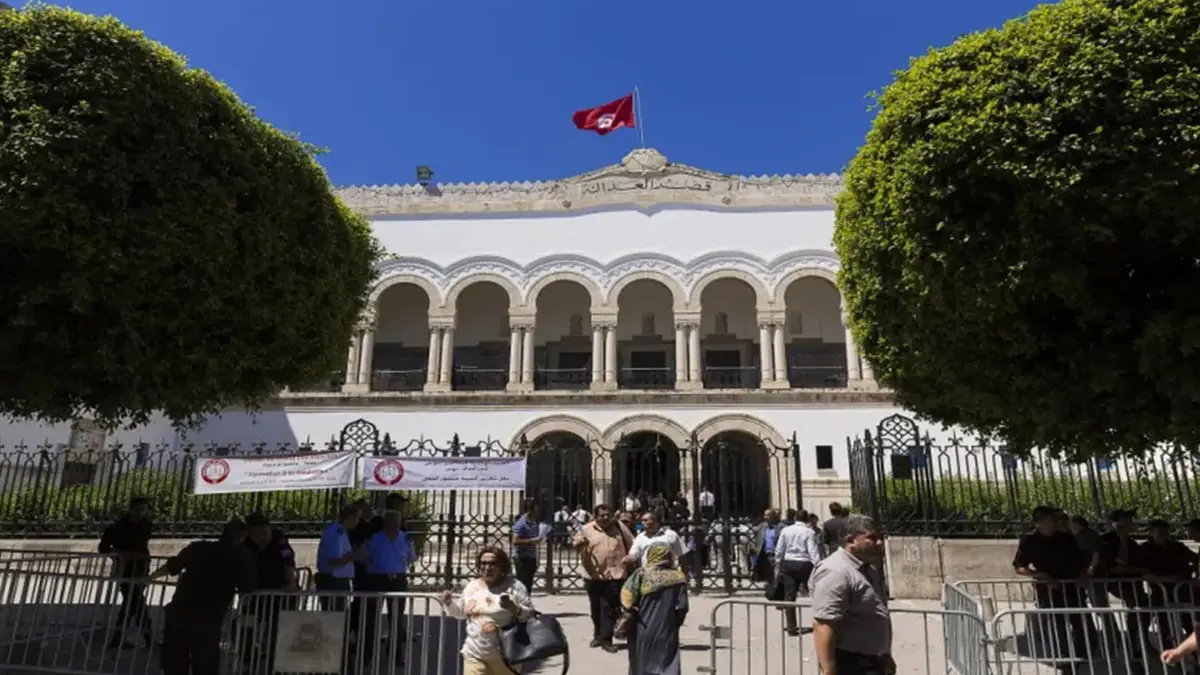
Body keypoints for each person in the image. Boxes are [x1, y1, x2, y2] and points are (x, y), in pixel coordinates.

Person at [152, 519, 256, 675]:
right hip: (209, 614)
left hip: (180, 608)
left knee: (175, 657)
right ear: (242, 536)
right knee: (205, 660)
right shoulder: (241, 555)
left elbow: (172, 566)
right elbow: (246, 589)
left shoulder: (198, 547)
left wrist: (149, 577)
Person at [810, 514, 894, 675]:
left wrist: (885, 655)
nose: (879, 543)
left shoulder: (867, 568)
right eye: (872, 538)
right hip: (852, 663)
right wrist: (829, 670)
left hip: (873, 661)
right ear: (851, 541)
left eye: (880, 537)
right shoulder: (836, 571)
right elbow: (823, 625)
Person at [1013, 505, 1093, 663]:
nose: (1056, 522)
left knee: (1082, 626)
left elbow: (1082, 561)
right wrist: (1040, 575)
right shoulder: (1030, 541)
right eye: (1051, 519)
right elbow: (1019, 567)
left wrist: (1084, 574)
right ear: (1039, 522)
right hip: (1049, 591)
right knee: (1058, 627)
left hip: (1073, 589)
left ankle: (1084, 657)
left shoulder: (1066, 539)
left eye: (1056, 519)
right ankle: (1065, 661)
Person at [440, 546, 536, 675]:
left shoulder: (515, 587)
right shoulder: (472, 587)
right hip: (475, 655)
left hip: (506, 656)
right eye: (483, 563)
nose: (487, 567)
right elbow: (461, 613)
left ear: (502, 566)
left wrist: (513, 608)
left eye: (493, 563)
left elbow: (530, 615)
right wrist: (449, 603)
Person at [240, 513, 298, 673]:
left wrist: (291, 584)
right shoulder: (245, 544)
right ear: (250, 533)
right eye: (258, 534)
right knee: (246, 625)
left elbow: (288, 564)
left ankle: (274, 665)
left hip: (279, 594)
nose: (263, 537)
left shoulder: (280, 541)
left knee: (276, 630)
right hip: (254, 594)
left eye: (265, 532)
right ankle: (247, 658)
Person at [620, 542, 689, 675]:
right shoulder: (678, 577)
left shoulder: (640, 575)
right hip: (667, 629)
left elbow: (626, 598)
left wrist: (630, 613)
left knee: (641, 664)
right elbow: (682, 607)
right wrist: (675, 624)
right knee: (668, 664)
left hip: (642, 628)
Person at [574, 504, 634, 652]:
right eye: (602, 515)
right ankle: (598, 635)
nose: (606, 518)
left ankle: (607, 639)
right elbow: (576, 543)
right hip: (592, 575)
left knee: (609, 607)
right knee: (596, 608)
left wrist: (630, 558)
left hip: (615, 573)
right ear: (595, 516)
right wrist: (580, 544)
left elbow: (633, 542)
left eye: (608, 515)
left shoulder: (619, 528)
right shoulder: (586, 529)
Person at [363, 509, 417, 668]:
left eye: (397, 520)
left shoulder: (406, 539)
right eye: (390, 520)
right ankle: (367, 653)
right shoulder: (374, 538)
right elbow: (365, 557)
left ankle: (396, 654)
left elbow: (411, 558)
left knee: (397, 618)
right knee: (371, 617)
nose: (394, 523)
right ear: (385, 522)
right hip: (377, 579)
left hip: (398, 579)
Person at [98, 496, 154, 649]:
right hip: (126, 571)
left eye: (143, 510)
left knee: (131, 605)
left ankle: (117, 639)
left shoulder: (146, 525)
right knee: (136, 604)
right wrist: (120, 553)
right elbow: (103, 547)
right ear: (130, 509)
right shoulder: (117, 527)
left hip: (142, 568)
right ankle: (148, 638)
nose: (140, 513)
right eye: (137, 509)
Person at [1097, 508, 1153, 660]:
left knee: (1145, 608)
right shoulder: (1107, 539)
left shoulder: (1130, 541)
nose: (1131, 522)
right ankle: (1133, 644)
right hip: (1117, 583)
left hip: (1134, 583)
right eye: (1126, 519)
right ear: (1116, 523)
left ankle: (1141, 640)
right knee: (1136, 607)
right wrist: (1122, 541)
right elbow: (1119, 564)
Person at [1141, 519, 1196, 644]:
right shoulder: (1146, 549)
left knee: (1189, 621)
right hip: (1160, 591)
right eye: (1160, 532)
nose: (1164, 535)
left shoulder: (1177, 546)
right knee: (1163, 622)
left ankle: (1194, 652)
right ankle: (1168, 651)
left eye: (1166, 532)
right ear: (1151, 533)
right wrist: (1165, 579)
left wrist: (1191, 570)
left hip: (1183, 590)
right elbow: (1144, 573)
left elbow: (1195, 558)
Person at [775, 507, 823, 635]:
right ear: (807, 519)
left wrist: (778, 564)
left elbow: (779, 549)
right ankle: (821, 621)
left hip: (789, 562)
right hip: (804, 563)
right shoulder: (809, 532)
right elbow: (812, 550)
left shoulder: (786, 530)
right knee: (814, 592)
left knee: (789, 595)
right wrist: (818, 565)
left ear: (795, 518)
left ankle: (791, 627)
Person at [315, 504, 362, 610]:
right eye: (357, 518)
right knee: (335, 615)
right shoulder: (337, 533)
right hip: (333, 581)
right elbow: (335, 560)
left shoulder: (341, 532)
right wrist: (355, 555)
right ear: (350, 517)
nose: (357, 522)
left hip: (336, 580)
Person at [748, 509, 784, 600]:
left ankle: (777, 594)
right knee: (769, 576)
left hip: (776, 555)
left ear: (773, 516)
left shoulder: (781, 527)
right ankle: (772, 594)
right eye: (764, 515)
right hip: (764, 555)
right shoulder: (762, 527)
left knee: (777, 576)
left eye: (767, 515)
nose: (765, 517)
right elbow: (751, 532)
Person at [512, 499, 543, 592]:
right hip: (522, 559)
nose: (538, 510)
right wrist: (532, 540)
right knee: (522, 587)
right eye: (536, 508)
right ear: (530, 509)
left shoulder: (533, 522)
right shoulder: (521, 523)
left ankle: (526, 605)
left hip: (531, 558)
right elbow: (515, 541)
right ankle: (521, 605)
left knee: (528, 586)